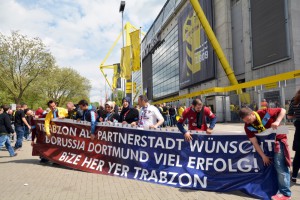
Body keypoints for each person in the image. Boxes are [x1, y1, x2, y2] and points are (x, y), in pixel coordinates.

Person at [239, 107, 291, 200]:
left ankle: (285, 194)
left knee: (280, 166)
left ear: (252, 114)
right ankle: (278, 190)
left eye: (248, 119)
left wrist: (278, 121)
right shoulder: (247, 126)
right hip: (267, 146)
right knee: (274, 167)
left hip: (279, 140)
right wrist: (263, 156)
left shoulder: (265, 112)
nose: (248, 122)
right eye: (245, 121)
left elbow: (283, 110)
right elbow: (254, 142)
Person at [287, 89, 300, 184]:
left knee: (298, 154)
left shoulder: (294, 99)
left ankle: (294, 175)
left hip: (299, 127)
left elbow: (289, 116)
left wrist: (297, 115)